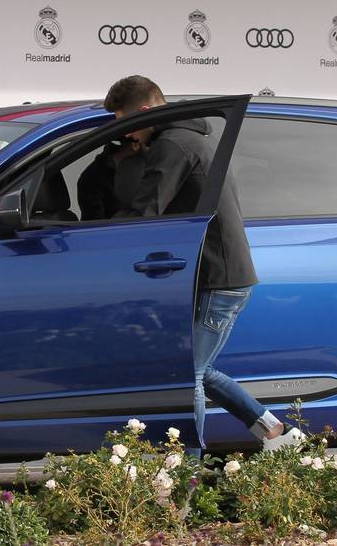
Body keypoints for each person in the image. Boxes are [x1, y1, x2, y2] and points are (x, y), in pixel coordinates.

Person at [104, 75, 300, 451]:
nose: (128, 137)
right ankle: (275, 433)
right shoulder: (192, 136)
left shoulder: (173, 144)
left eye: (127, 126)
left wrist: (90, 232)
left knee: (186, 374)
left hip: (217, 278)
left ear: (144, 112)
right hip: (221, 274)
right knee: (199, 367)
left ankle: (186, 470)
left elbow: (148, 212)